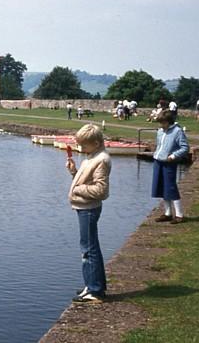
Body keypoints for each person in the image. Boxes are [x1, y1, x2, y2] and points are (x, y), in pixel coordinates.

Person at [65, 124, 111, 303]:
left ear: (97, 143)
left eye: (84, 145)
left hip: (89, 209)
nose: (80, 149)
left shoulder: (101, 160)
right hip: (84, 207)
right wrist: (74, 172)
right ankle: (92, 284)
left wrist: (77, 189)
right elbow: (87, 180)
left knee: (89, 249)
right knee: (89, 247)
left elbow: (101, 190)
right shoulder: (91, 157)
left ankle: (95, 290)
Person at [152, 110, 190, 224]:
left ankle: (179, 215)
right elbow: (159, 145)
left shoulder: (177, 131)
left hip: (169, 163)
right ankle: (168, 213)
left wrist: (173, 156)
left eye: (163, 123)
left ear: (169, 121)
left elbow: (185, 147)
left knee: (171, 187)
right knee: (162, 187)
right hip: (158, 161)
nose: (161, 125)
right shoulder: (160, 131)